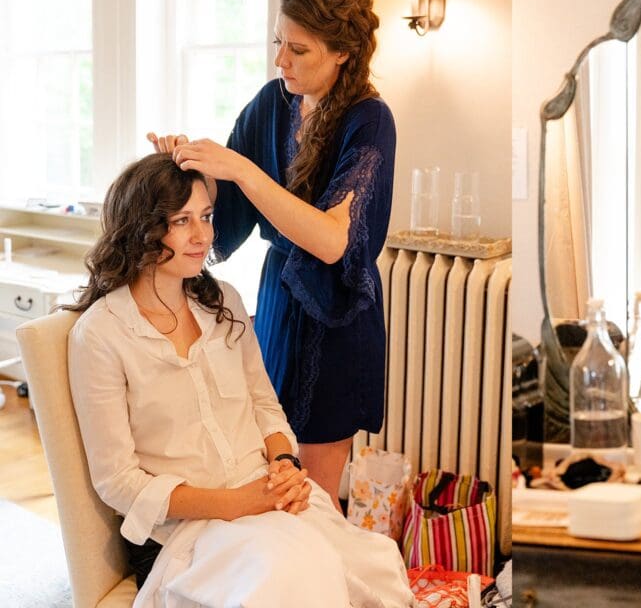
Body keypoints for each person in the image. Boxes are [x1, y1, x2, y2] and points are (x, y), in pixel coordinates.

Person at [66, 154, 412, 607]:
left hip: (265, 493)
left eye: (206, 217)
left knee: (376, 565)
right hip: (192, 528)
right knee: (300, 576)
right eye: (182, 221)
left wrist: (285, 465)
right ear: (142, 230)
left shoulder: (222, 302)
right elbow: (117, 481)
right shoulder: (101, 334)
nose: (203, 235)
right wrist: (239, 503)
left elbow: (264, 405)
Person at [148, 0, 394, 507]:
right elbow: (228, 208)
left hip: (337, 320)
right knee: (273, 470)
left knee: (315, 500)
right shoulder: (272, 103)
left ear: (342, 54)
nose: (280, 60)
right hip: (281, 306)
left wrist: (240, 168)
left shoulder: (369, 121)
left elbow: (333, 240)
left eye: (299, 50)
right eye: (278, 42)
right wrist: (190, 165)